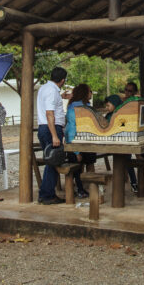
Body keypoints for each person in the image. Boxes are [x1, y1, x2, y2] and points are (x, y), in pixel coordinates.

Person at [37, 66, 68, 205]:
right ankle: (47, 194)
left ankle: (46, 192)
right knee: (54, 161)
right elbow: (50, 114)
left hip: (45, 128)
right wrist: (55, 136)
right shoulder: (52, 91)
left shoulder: (45, 88)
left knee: (51, 161)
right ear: (62, 80)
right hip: (51, 128)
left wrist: (62, 96)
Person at [64, 84, 97, 198]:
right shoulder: (80, 108)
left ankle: (84, 188)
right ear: (84, 93)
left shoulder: (72, 107)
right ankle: (85, 188)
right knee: (84, 165)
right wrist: (76, 151)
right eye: (89, 91)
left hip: (78, 142)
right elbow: (72, 130)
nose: (91, 93)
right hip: (80, 143)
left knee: (81, 165)